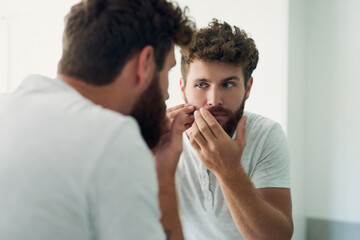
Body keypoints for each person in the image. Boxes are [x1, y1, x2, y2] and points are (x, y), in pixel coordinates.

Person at [0, 0, 194, 239]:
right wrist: (163, 179)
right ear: (144, 64)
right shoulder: (114, 138)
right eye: (167, 71)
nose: (166, 94)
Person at [167, 19, 294, 239]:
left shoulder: (267, 135)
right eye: (201, 85)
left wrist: (229, 170)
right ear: (183, 88)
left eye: (227, 84)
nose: (214, 100)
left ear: (247, 88)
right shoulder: (161, 135)